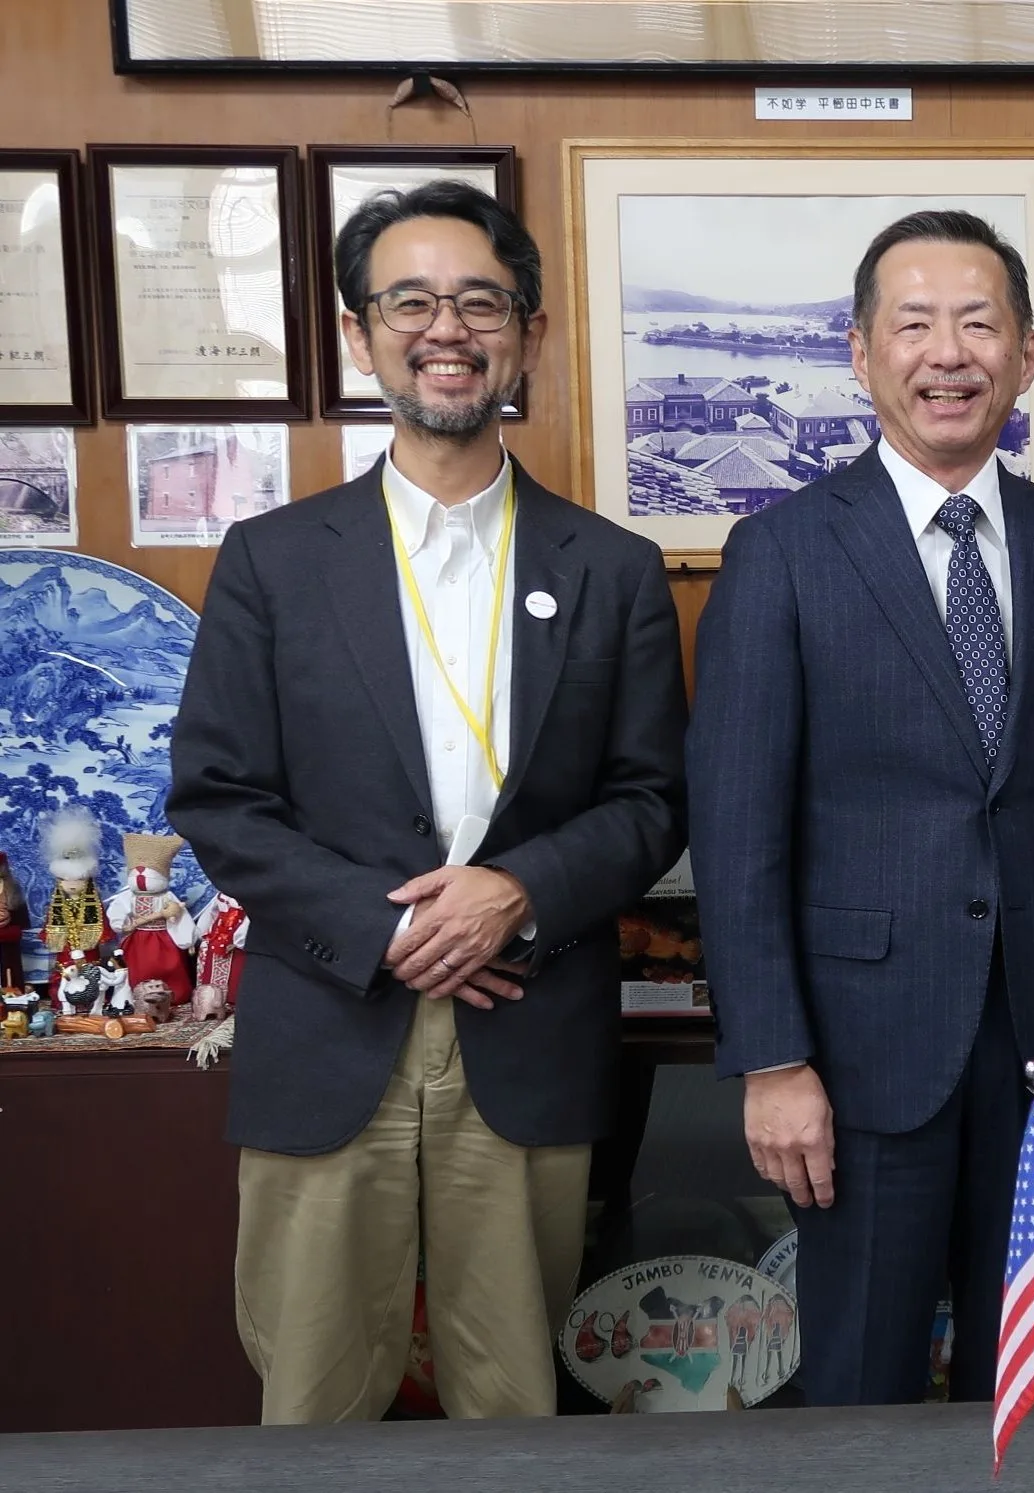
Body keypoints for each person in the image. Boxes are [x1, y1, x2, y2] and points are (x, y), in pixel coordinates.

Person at [167, 180, 688, 1423]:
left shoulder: (612, 569)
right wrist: (388, 922)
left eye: (479, 302)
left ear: (527, 333)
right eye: (409, 302)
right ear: (360, 334)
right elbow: (218, 797)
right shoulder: (273, 561)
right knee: (313, 1393)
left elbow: (652, 797)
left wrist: (517, 890)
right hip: (329, 1018)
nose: (445, 329)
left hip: (527, 1020)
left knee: (512, 1395)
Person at [689, 210, 1034, 1407]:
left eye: (978, 324)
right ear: (861, 354)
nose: (948, 353)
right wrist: (772, 1056)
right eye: (913, 325)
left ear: (1026, 354)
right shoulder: (781, 553)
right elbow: (737, 833)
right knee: (861, 1383)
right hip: (859, 1049)